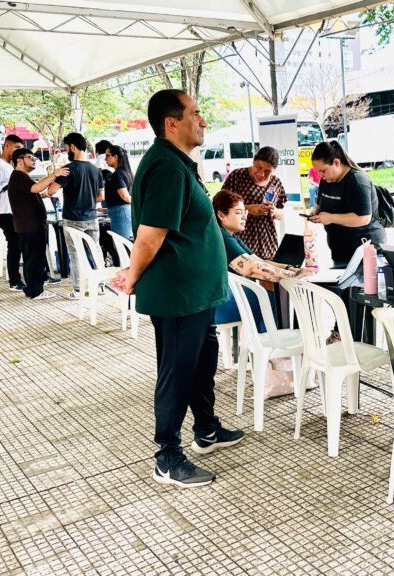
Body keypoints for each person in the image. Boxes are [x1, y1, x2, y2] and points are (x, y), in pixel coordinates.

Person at [111, 89, 243, 489]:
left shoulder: (179, 164)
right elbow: (151, 236)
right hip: (178, 296)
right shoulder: (167, 167)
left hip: (197, 294)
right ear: (172, 122)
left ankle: (206, 428)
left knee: (203, 362)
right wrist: (131, 276)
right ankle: (168, 455)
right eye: (196, 114)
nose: (202, 121)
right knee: (177, 371)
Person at [212, 190, 313, 330]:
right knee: (272, 300)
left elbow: (259, 260)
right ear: (221, 215)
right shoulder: (222, 236)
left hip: (220, 303)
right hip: (220, 307)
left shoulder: (229, 235)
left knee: (270, 296)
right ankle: (273, 346)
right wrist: (293, 275)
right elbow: (250, 267)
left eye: (245, 212)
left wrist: (292, 269)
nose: (244, 217)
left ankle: (266, 344)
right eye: (238, 212)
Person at [309, 140, 386, 266]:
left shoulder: (357, 181)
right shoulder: (325, 180)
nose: (321, 175)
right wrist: (314, 212)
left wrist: (331, 218)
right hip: (339, 248)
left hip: (363, 247)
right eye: (318, 172)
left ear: (336, 162)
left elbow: (363, 218)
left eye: (323, 171)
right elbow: (319, 204)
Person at [48, 132, 105, 299]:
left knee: (75, 254)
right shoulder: (95, 170)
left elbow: (51, 191)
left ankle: (79, 289)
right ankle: (100, 285)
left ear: (73, 147)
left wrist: (56, 175)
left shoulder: (69, 169)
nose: (67, 152)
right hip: (92, 218)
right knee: (95, 251)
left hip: (72, 219)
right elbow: (101, 196)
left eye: (66, 148)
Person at [8, 148, 69, 300]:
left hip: (31, 224)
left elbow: (33, 191)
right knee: (33, 258)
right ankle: (35, 290)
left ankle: (35, 288)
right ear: (19, 160)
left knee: (34, 257)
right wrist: (55, 174)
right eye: (30, 157)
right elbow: (35, 188)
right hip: (29, 226)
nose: (33, 160)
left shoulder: (23, 177)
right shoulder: (18, 176)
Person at [221, 146, 286, 260]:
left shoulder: (276, 183)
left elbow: (281, 213)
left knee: (267, 273)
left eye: (267, 171)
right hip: (240, 237)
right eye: (258, 167)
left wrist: (274, 211)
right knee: (243, 273)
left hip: (266, 239)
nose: (261, 174)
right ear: (253, 161)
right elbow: (221, 205)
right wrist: (249, 209)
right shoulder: (237, 176)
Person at [0, 134, 26, 291]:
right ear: (6, 146)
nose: (18, 151)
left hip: (16, 212)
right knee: (15, 246)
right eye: (16, 147)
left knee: (21, 245)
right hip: (5, 213)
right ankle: (14, 281)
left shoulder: (11, 166)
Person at [103, 144, 133, 240]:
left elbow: (125, 196)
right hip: (124, 212)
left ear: (115, 157)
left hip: (120, 213)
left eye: (107, 155)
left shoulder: (117, 175)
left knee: (122, 245)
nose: (105, 159)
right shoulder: (128, 172)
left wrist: (139, 203)